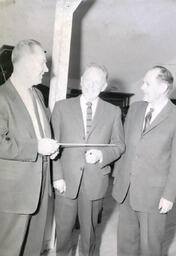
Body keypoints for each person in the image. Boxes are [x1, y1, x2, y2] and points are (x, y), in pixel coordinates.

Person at [112, 66, 176, 256]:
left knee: (151, 248)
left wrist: (169, 195)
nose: (142, 88)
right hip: (127, 189)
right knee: (125, 245)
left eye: (147, 83)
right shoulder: (135, 108)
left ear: (163, 87)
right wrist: (117, 176)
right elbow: (125, 147)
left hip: (154, 197)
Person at [51, 63, 125, 256]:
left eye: (97, 82)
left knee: (89, 234)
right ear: (81, 81)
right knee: (63, 232)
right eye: (88, 80)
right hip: (65, 182)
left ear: (104, 86)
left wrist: (102, 155)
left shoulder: (113, 112)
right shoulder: (61, 107)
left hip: (95, 182)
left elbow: (119, 145)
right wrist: (56, 177)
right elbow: (53, 145)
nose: (91, 85)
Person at [0, 39, 59, 256]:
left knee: (33, 250)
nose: (46, 69)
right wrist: (37, 147)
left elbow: (40, 132)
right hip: (14, 195)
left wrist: (50, 147)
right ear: (25, 63)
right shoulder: (1, 97)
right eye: (42, 63)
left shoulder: (37, 94)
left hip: (40, 190)